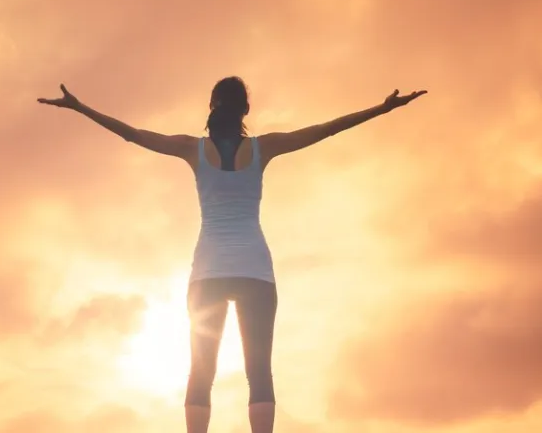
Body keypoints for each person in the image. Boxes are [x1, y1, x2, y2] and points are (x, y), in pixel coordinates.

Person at [37, 76, 425, 433]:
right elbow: (326, 129)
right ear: (245, 110)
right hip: (256, 271)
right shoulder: (263, 147)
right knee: (259, 373)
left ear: (211, 106)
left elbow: (133, 135)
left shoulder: (192, 148)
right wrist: (381, 108)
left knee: (200, 373)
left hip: (207, 273)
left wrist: (81, 107)